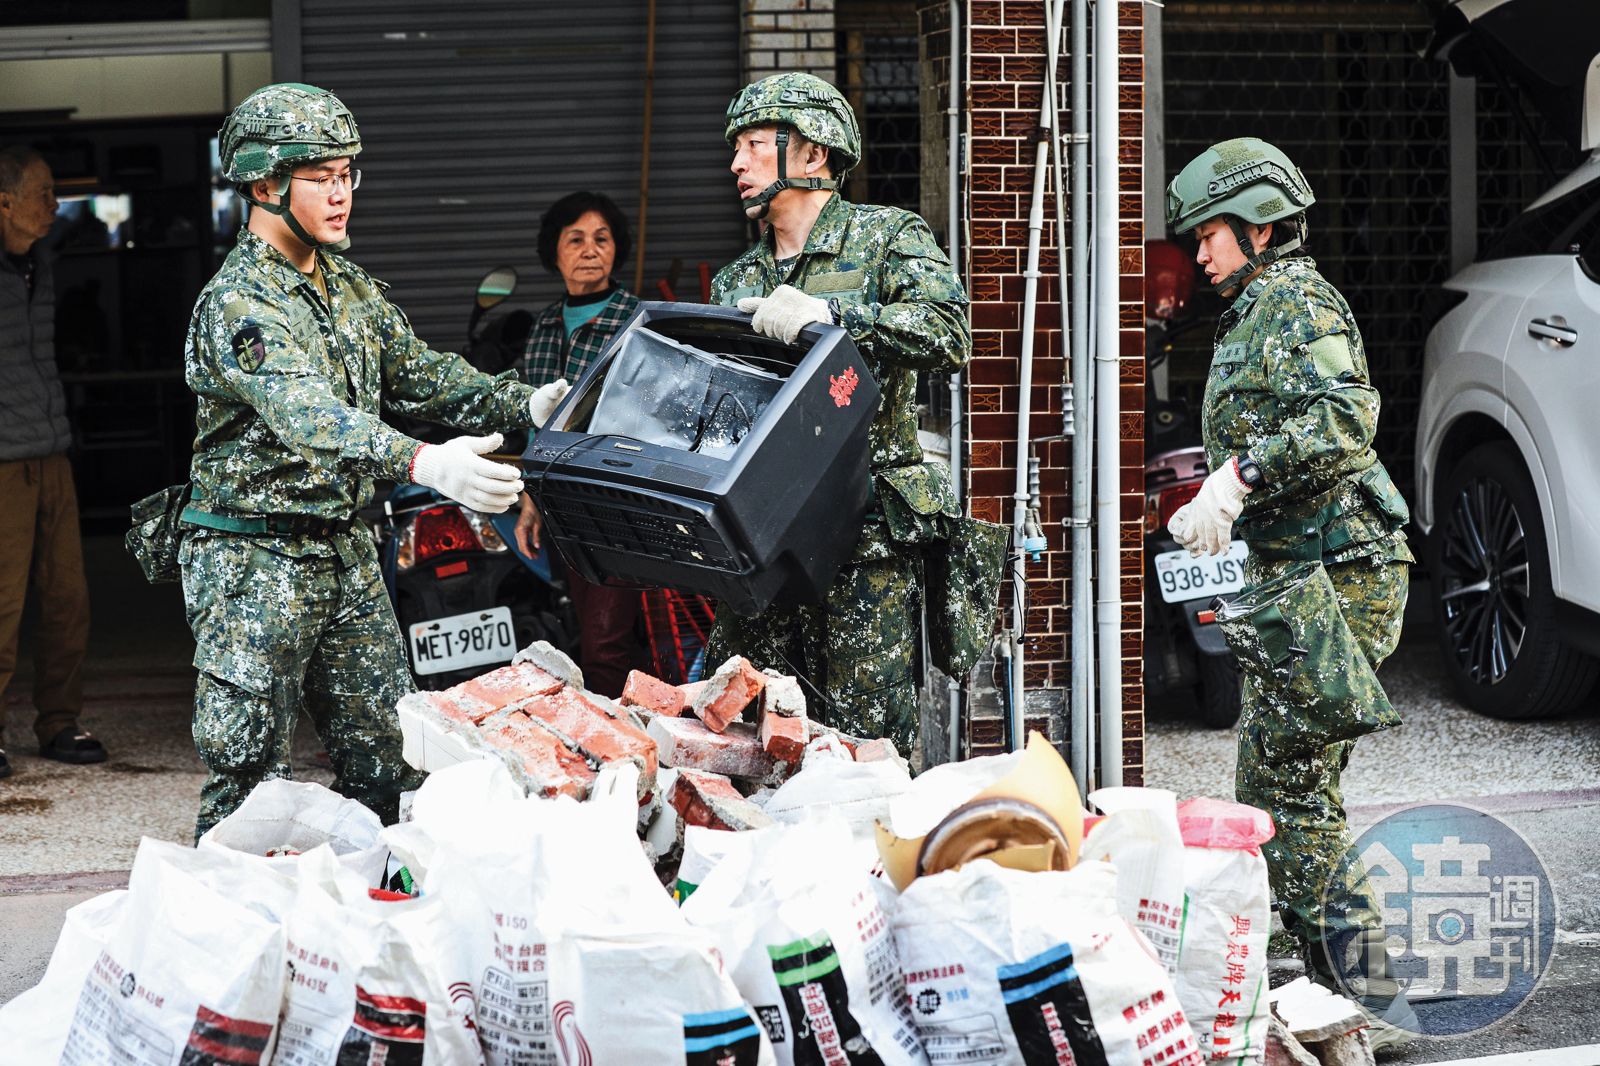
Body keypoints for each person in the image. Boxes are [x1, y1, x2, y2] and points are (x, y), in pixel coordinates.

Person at [180, 83, 564, 837]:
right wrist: (424, 463)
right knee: (251, 778)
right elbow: (307, 415)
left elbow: (421, 375)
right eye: (321, 175)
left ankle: (368, 930)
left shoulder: (347, 285)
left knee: (389, 761)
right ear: (265, 183)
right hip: (254, 561)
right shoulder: (239, 303)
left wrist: (526, 405)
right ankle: (231, 939)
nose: (341, 192)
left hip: (344, 551)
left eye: (348, 173)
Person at [1165, 137, 1416, 1041]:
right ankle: (1336, 991)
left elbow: (1346, 418)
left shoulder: (1298, 301)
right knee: (1278, 781)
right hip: (1301, 571)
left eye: (1209, 234)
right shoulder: (1253, 310)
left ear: (1260, 226)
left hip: (1339, 569)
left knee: (1291, 785)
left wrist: (1238, 479)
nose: (1198, 253)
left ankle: (1362, 1000)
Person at [706, 72, 976, 759]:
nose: (736, 163)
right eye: (735, 148)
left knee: (867, 742)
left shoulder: (887, 239)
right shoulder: (737, 280)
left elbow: (948, 332)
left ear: (814, 153)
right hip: (765, 538)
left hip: (867, 533)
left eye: (755, 144)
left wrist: (832, 317)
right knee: (761, 735)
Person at [513, 191, 647, 698]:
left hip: (616, 502)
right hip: (559, 499)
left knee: (604, 643)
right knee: (585, 629)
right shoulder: (544, 327)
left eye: (602, 238)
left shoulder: (639, 319)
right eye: (576, 239)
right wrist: (531, 496)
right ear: (555, 253)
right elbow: (533, 420)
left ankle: (619, 747)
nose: (590, 249)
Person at [0, 145, 106, 778]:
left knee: (68, 596)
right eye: (42, 193)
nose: (55, 203)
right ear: (4, 201)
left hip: (52, 451)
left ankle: (60, 722)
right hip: (3, 463)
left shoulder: (41, 263)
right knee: (1, 604)